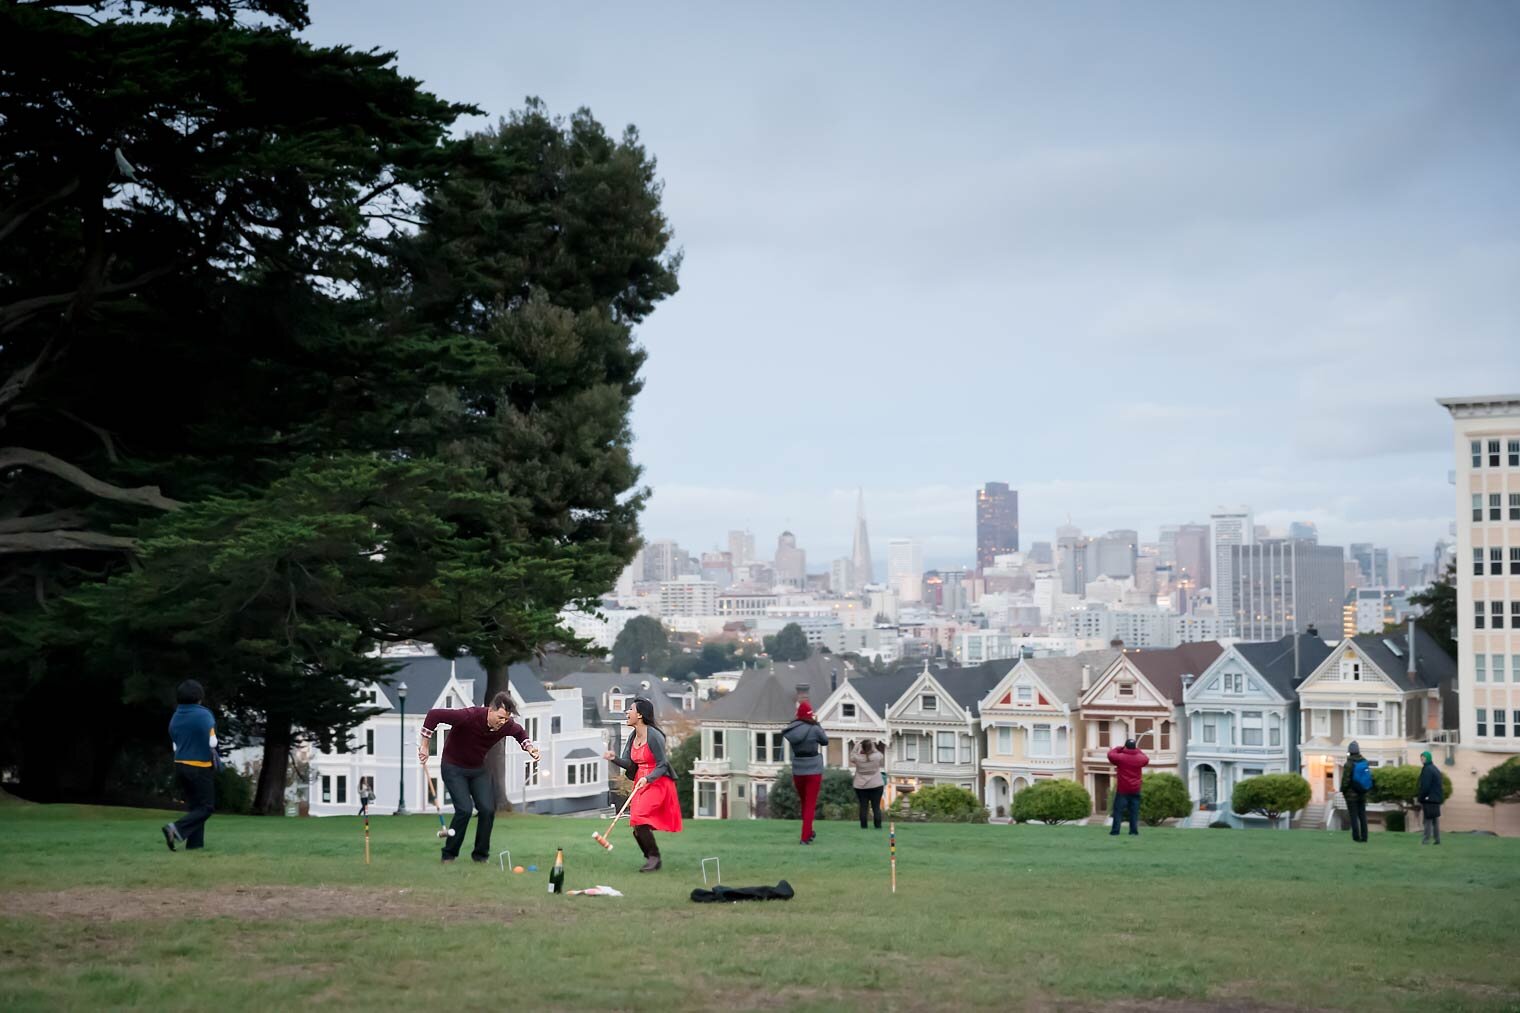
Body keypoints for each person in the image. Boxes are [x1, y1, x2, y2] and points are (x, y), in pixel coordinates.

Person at [419, 690, 539, 864]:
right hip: (453, 767)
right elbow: (434, 715)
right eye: (500, 717)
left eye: (506, 719)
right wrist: (425, 746)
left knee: (487, 810)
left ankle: (480, 856)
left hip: (477, 769)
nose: (503, 722)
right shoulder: (469, 716)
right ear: (490, 710)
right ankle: (449, 855)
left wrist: (529, 748)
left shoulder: (506, 725)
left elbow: (520, 733)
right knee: (465, 810)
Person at [604, 697, 682, 871]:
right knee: (637, 824)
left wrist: (647, 778)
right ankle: (651, 858)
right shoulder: (632, 736)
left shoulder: (654, 735)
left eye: (630, 709)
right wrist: (614, 758)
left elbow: (662, 765)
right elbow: (630, 763)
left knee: (640, 819)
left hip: (657, 781)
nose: (626, 712)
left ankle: (654, 858)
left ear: (639, 715)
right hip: (640, 781)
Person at [162, 679, 219, 852]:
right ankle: (175, 829)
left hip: (180, 765)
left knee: (196, 807)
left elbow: (174, 744)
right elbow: (213, 742)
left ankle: (195, 846)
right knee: (207, 807)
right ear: (199, 697)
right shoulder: (204, 715)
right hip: (199, 766)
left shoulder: (176, 716)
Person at [783, 700, 829, 844]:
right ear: (810, 715)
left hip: (798, 769)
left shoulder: (792, 729)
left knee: (804, 803)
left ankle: (809, 832)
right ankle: (804, 837)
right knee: (810, 804)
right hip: (813, 769)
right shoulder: (814, 729)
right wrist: (817, 724)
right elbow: (825, 741)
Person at [1107, 738, 1149, 836]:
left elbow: (1110, 754)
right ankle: (1133, 832)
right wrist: (1137, 750)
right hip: (1135, 789)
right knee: (1134, 812)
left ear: (1126, 746)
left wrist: (1120, 748)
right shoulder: (1140, 758)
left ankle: (1115, 831)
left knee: (1118, 812)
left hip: (1123, 790)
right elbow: (1146, 758)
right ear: (1135, 747)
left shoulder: (1120, 758)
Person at [849, 739, 886, 830]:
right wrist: (873, 747)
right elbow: (881, 755)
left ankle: (864, 826)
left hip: (861, 786)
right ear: (871, 747)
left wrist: (856, 746)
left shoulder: (858, 758)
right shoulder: (876, 756)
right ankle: (878, 826)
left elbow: (851, 756)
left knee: (863, 807)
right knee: (876, 807)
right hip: (876, 784)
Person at [1341, 741, 1371, 843]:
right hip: (1362, 793)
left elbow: (1346, 781)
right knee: (1362, 815)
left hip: (1351, 795)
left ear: (1349, 752)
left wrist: (1343, 790)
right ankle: (1365, 837)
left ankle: (1356, 837)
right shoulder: (1364, 762)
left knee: (1353, 816)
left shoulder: (1349, 764)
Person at [1418, 749, 1444, 846]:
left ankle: (1425, 840)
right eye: (1421, 758)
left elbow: (1425, 786)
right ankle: (1437, 839)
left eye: (1423, 758)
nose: (1422, 760)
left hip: (1429, 798)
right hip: (1436, 798)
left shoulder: (1427, 769)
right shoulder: (1435, 768)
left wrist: (1421, 797)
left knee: (1427, 820)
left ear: (1428, 758)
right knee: (1435, 820)